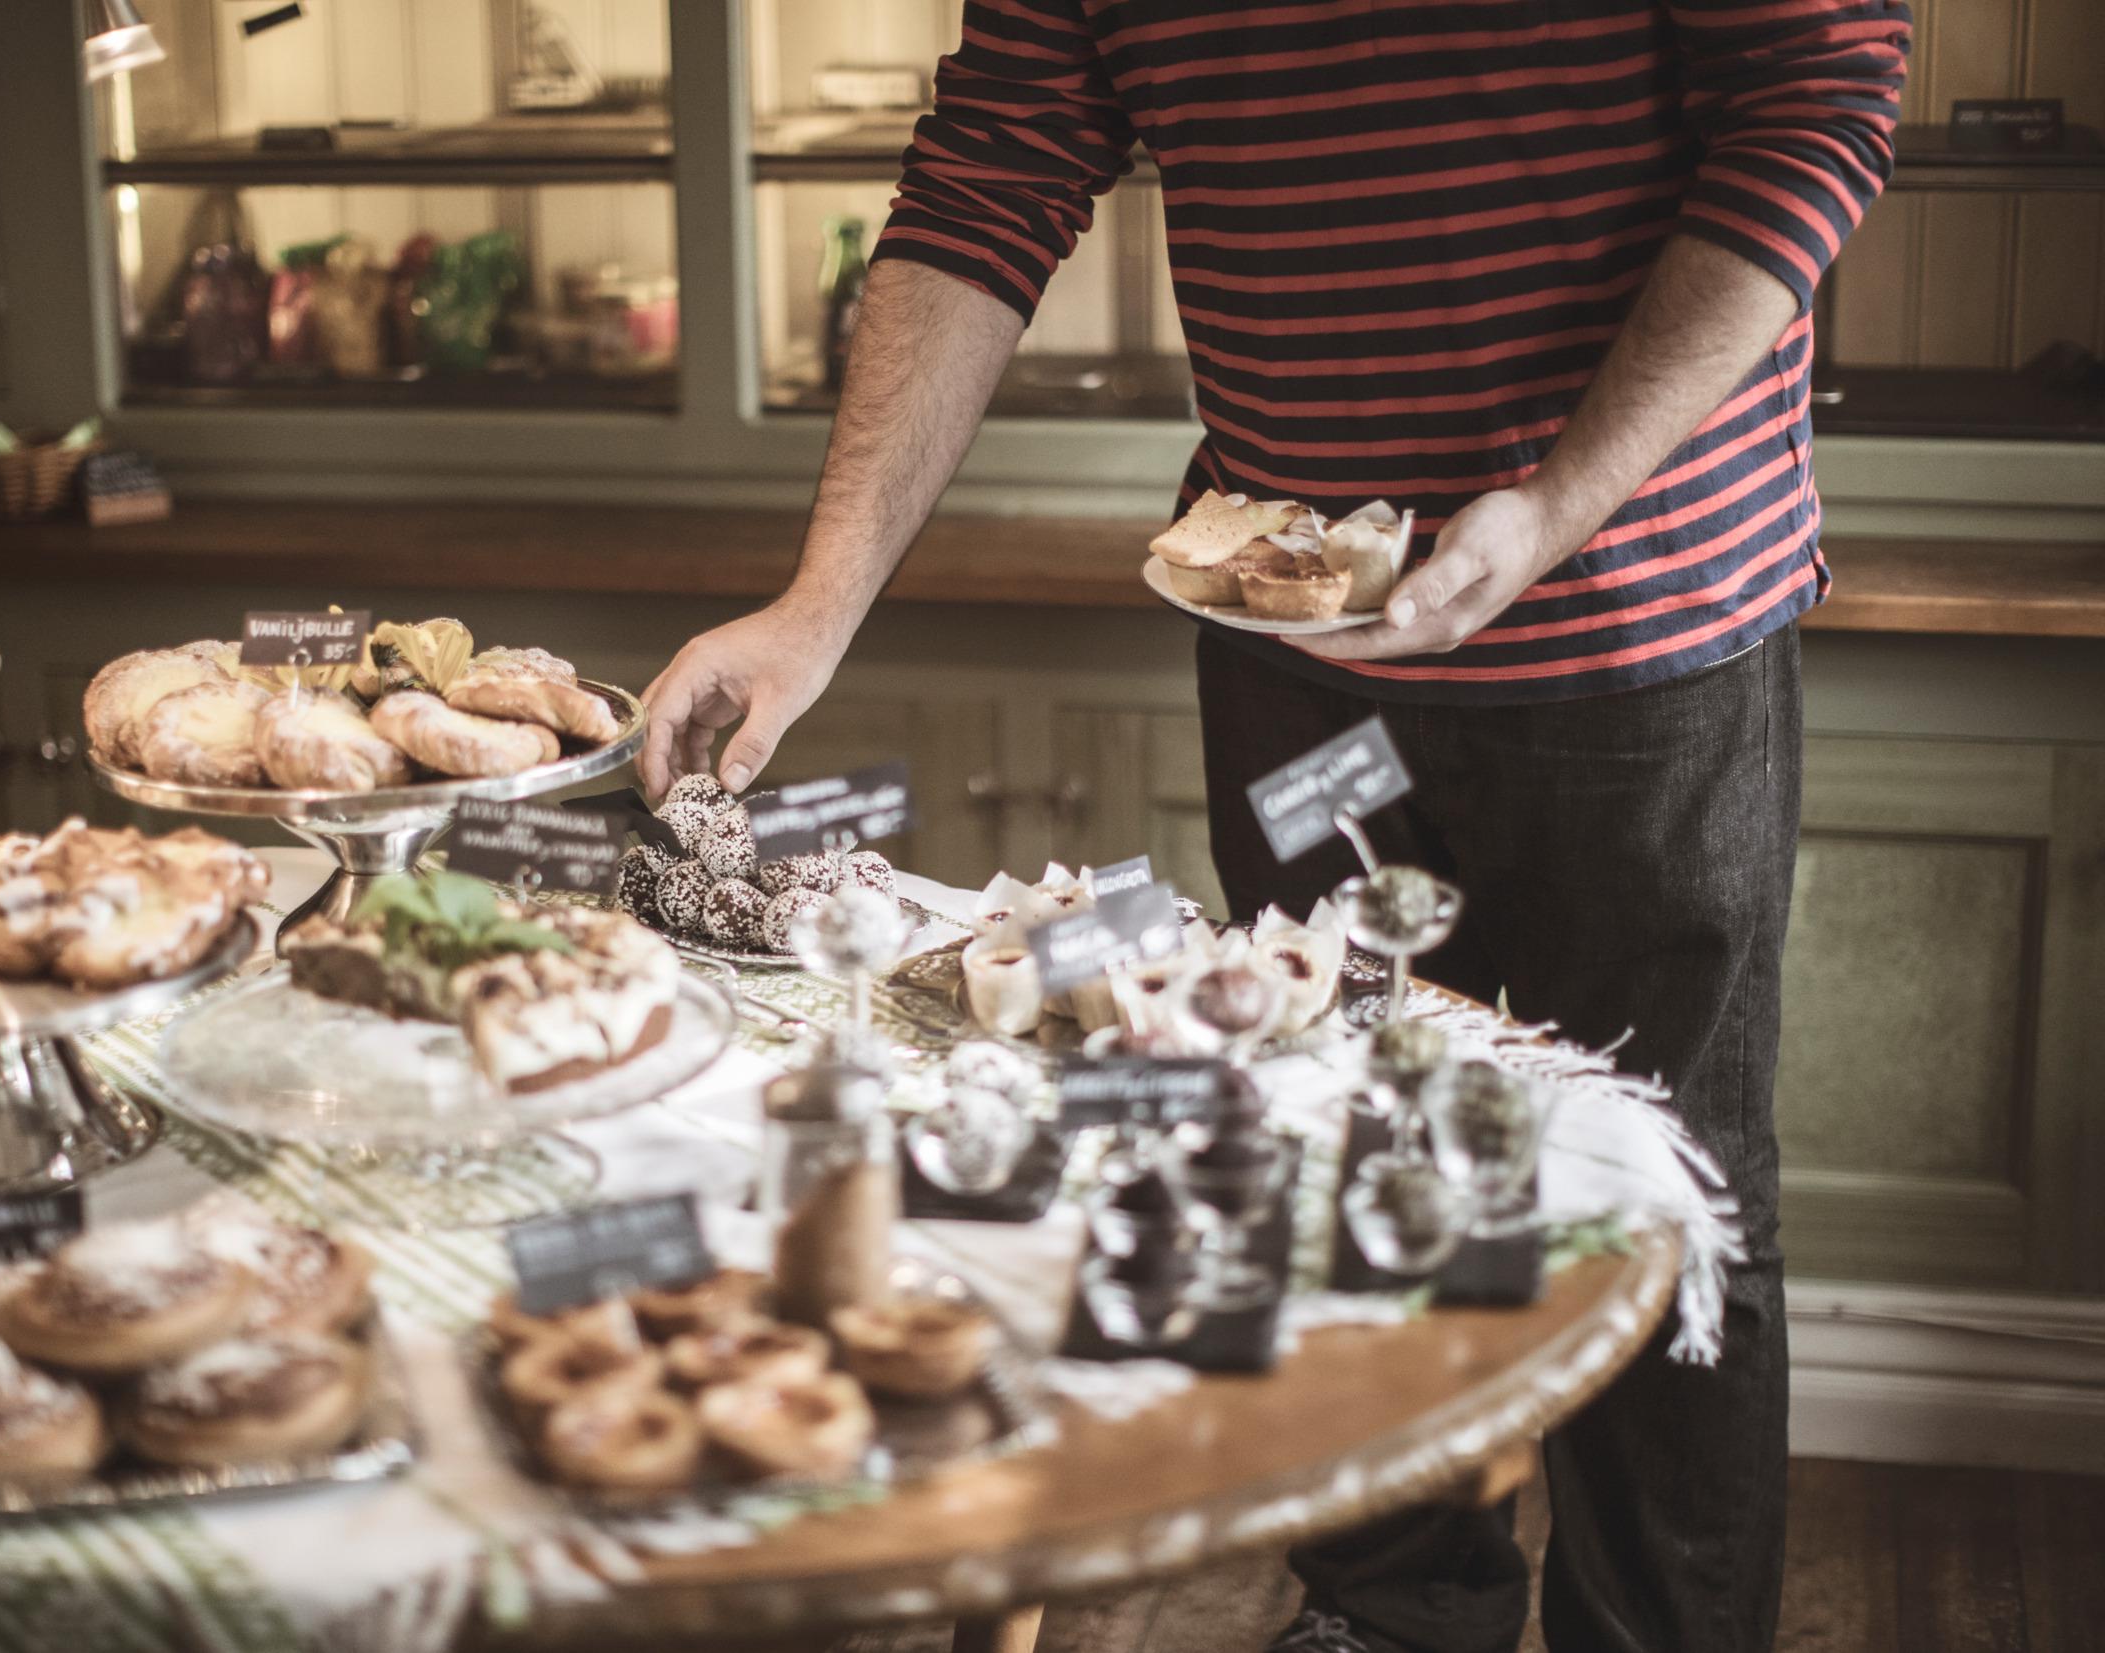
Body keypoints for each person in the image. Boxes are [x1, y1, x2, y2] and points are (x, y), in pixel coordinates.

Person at [638, 4, 1910, 1649]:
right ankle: (1388, 1616)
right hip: (1302, 669)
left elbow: (1819, 95)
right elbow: (990, 175)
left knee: (1656, 1189)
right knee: (1333, 1121)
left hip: (1636, 630)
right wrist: (817, 608)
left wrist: (1556, 502)